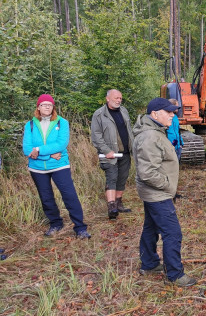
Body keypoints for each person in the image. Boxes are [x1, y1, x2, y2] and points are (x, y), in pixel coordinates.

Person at [133, 98, 196, 287]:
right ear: (155, 114)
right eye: (168, 112)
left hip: (154, 193)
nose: (172, 115)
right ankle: (175, 275)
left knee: (151, 228)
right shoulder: (150, 136)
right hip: (157, 193)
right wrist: (169, 186)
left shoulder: (156, 132)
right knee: (172, 233)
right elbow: (147, 173)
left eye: (173, 112)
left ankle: (150, 263)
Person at [22, 95, 91, 239]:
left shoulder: (62, 122)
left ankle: (80, 228)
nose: (47, 107)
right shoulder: (30, 125)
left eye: (50, 105)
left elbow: (61, 144)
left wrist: (39, 151)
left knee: (69, 196)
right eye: (44, 104)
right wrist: (49, 155)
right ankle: (55, 223)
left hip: (59, 165)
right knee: (46, 198)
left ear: (53, 108)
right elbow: (27, 149)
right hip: (37, 168)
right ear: (38, 107)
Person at [91, 89, 134, 219]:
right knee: (112, 177)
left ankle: (118, 203)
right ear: (107, 98)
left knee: (122, 177)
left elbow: (129, 130)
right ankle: (111, 207)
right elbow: (96, 136)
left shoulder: (124, 111)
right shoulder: (99, 114)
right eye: (116, 98)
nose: (119, 100)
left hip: (125, 152)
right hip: (109, 154)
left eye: (120, 98)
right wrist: (106, 150)